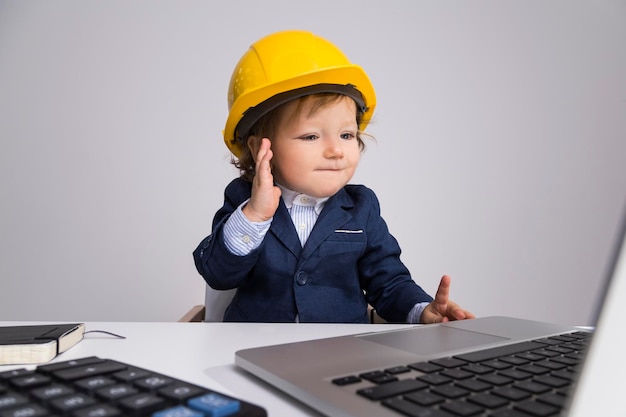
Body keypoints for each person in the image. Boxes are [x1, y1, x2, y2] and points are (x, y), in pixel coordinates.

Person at [193, 30, 474, 324]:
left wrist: (421, 310)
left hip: (343, 352)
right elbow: (218, 273)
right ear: (260, 148)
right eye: (311, 135)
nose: (336, 150)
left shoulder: (361, 207)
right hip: (254, 347)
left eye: (346, 134)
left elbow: (388, 282)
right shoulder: (244, 199)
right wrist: (255, 214)